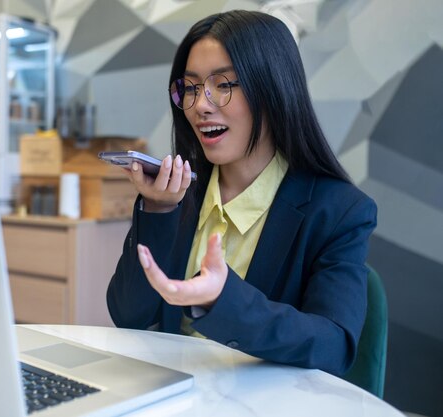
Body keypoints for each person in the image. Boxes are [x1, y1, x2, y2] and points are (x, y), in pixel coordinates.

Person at [106, 9, 377, 377]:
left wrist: (223, 300)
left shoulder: (340, 211)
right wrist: (158, 210)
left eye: (224, 84)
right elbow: (129, 315)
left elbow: (333, 345)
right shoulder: (181, 192)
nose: (201, 104)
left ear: (274, 90)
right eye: (190, 87)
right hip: (173, 397)